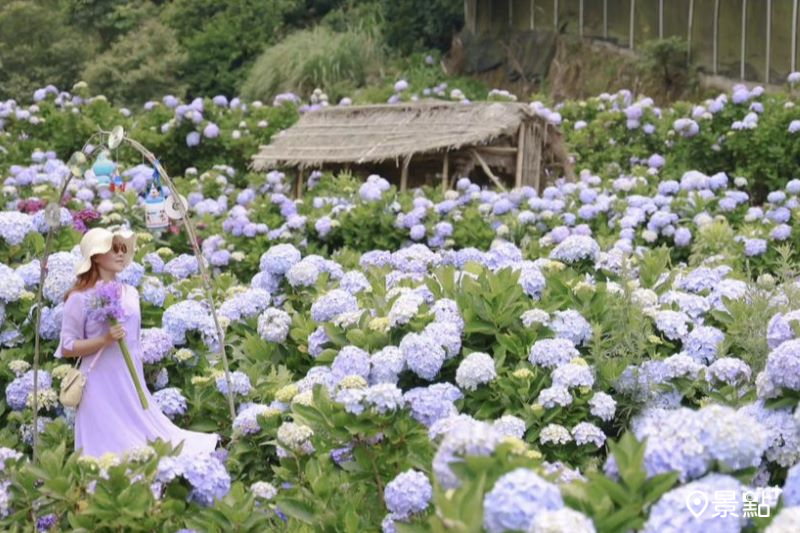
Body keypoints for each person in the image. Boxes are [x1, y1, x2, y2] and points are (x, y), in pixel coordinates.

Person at [55, 227, 220, 458]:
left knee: (148, 434)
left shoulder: (130, 292)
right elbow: (67, 347)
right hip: (98, 384)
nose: (121, 254)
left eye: (124, 249)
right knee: (107, 446)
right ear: (95, 256)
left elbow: (133, 338)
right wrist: (105, 339)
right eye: (114, 249)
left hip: (130, 378)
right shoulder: (79, 297)